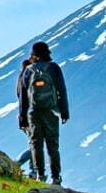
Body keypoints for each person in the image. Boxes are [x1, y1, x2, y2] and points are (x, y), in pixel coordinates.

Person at [17, 40, 70, 185]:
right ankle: (56, 177)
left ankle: (40, 174)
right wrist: (64, 111)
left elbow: (23, 96)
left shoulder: (28, 71)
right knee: (53, 145)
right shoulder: (53, 68)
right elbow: (61, 90)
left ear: (34, 54)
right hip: (51, 111)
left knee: (36, 144)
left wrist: (22, 117)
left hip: (33, 112)